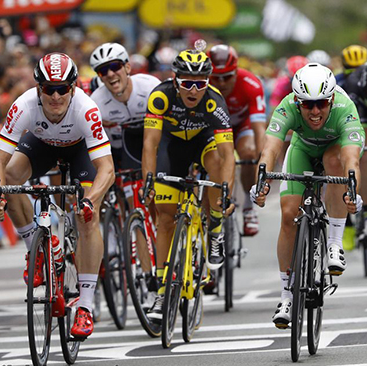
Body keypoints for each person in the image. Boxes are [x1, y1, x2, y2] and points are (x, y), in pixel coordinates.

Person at [0, 53, 115, 339]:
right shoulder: (24, 104)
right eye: (49, 88)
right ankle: (34, 251)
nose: (56, 95)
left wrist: (91, 200)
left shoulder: (85, 108)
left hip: (79, 150)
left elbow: (107, 170)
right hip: (41, 144)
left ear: (73, 87)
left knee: (87, 216)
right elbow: (0, 159)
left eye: (63, 88)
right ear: (38, 87)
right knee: (11, 178)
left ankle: (85, 305)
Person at [251, 63, 364, 329]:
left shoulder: (345, 109)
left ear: (332, 99)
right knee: (289, 214)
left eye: (321, 104)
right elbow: (270, 149)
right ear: (297, 101)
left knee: (335, 161)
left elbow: (352, 161)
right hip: (302, 149)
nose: (314, 111)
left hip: (335, 151)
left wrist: (352, 192)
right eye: (307, 105)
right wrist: (261, 181)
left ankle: (335, 244)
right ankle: (286, 295)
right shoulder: (287, 105)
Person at [141, 48, 235, 323]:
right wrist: (149, 180)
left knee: (216, 159)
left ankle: (215, 226)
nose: (193, 90)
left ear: (208, 82)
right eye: (187, 83)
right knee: (166, 216)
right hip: (172, 147)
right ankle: (161, 291)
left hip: (203, 142)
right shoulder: (161, 97)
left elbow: (229, 153)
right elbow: (150, 143)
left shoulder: (214, 102)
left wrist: (226, 191)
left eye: (200, 83)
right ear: (175, 80)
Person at [207, 44, 267, 236]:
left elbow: (260, 132)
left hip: (242, 125)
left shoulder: (251, 84)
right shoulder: (202, 85)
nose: (222, 83)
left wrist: (262, 165)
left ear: (236, 72)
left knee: (249, 153)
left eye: (227, 77)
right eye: (217, 77)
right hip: (213, 126)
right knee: (210, 158)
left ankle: (249, 209)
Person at [89, 42, 160, 202]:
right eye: (103, 71)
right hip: (120, 147)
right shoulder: (97, 102)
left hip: (154, 142)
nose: (110, 74)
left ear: (127, 67)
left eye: (115, 66)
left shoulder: (150, 86)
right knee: (130, 197)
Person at [344, 64, 367, 246]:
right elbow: (356, 130)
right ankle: (363, 210)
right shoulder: (354, 82)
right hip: (360, 110)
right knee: (362, 153)